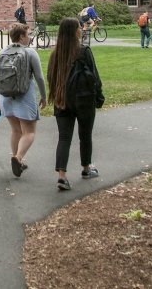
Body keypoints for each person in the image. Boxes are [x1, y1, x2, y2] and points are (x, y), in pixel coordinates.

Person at [47, 18, 103, 191]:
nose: (81, 30)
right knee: (85, 135)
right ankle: (86, 168)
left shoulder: (55, 54)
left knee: (64, 138)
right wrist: (99, 96)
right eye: (79, 27)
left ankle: (62, 176)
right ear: (74, 32)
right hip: (83, 99)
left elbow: (51, 78)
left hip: (62, 100)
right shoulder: (83, 51)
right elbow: (94, 76)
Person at [0, 23, 47, 178]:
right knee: (29, 132)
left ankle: (17, 160)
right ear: (22, 36)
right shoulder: (30, 53)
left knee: (16, 130)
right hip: (24, 96)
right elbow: (39, 77)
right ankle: (18, 158)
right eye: (27, 34)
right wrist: (43, 96)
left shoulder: (2, 52)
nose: (29, 37)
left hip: (6, 97)